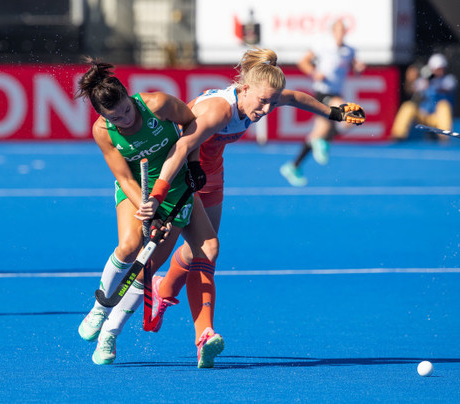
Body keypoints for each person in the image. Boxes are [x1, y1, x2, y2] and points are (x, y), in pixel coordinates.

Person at [135, 47, 365, 361]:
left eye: (273, 102)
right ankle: (200, 332)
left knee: (200, 250)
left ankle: (164, 292)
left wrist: (334, 113)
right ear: (243, 89)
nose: (267, 108)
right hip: (180, 175)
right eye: (263, 101)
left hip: (211, 174)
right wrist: (158, 195)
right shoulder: (220, 111)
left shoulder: (265, 94)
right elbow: (182, 146)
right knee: (206, 249)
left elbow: (296, 98)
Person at [74, 58, 220, 367]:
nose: (125, 120)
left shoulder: (158, 103)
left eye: (127, 110)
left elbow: (191, 125)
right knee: (129, 247)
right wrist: (145, 206)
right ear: (102, 116)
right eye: (116, 117)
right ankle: (101, 305)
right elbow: (124, 177)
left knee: (148, 268)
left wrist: (192, 163)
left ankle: (110, 333)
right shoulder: (103, 132)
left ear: (130, 96)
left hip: (175, 189)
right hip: (135, 192)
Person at [280, 19, 366, 186]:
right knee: (348, 116)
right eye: (338, 30)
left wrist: (359, 68)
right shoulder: (323, 45)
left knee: (319, 133)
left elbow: (356, 69)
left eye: (343, 30)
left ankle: (293, 165)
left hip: (336, 92)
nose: (341, 33)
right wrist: (314, 73)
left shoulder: (349, 51)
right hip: (322, 93)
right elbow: (303, 62)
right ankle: (323, 142)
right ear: (333, 32)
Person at [390, 53, 457, 142]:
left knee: (443, 105)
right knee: (408, 106)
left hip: (437, 118)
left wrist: (429, 82)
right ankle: (398, 135)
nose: (439, 71)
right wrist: (410, 79)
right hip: (423, 116)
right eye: (437, 69)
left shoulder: (448, 80)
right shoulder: (423, 81)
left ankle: (444, 136)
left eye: (441, 69)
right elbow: (410, 90)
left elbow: (445, 88)